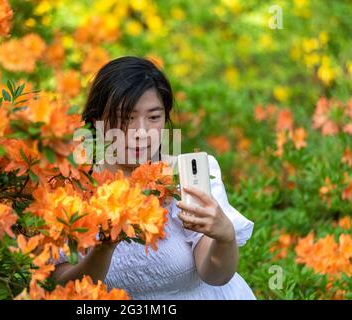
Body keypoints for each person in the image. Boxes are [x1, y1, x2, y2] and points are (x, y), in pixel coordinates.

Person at [51, 56, 255, 299]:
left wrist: (224, 237)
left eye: (154, 117)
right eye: (126, 118)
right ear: (97, 119)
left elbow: (215, 275)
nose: (141, 132)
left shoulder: (185, 176)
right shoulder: (69, 185)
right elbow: (63, 287)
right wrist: (104, 248)